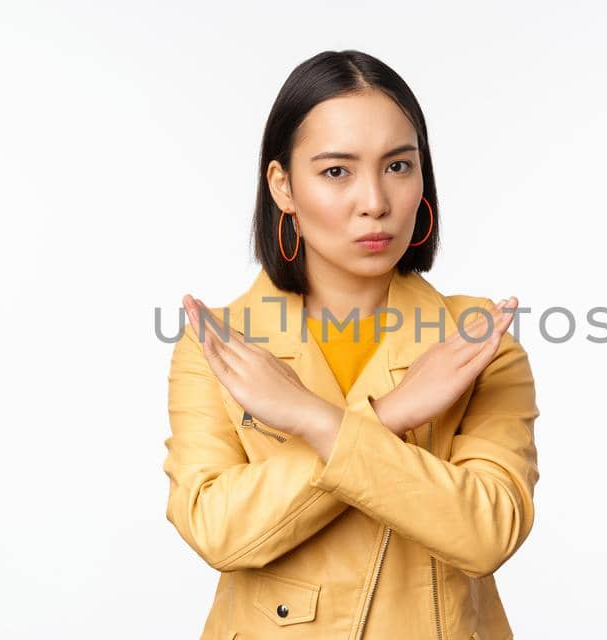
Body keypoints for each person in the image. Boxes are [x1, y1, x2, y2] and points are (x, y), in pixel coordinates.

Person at [163, 49, 540, 640]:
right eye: (337, 171)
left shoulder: (475, 338)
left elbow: (488, 534)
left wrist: (313, 420)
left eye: (397, 166)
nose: (376, 202)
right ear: (283, 186)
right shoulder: (222, 344)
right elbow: (219, 532)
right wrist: (389, 416)